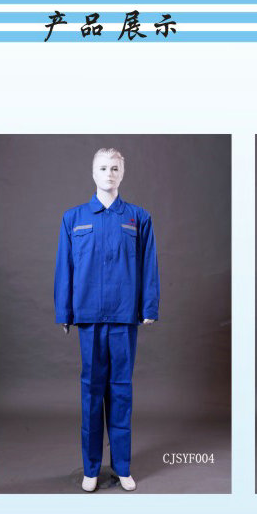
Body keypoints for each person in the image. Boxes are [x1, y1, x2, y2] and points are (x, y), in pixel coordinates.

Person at [54, 149, 159, 492]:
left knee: (121, 391)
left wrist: (148, 307)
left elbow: (148, 264)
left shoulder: (138, 218)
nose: (109, 173)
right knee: (91, 391)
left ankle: (122, 466)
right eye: (103, 168)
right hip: (88, 316)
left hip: (124, 316)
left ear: (122, 173)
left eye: (115, 168)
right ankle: (91, 468)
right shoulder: (74, 219)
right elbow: (65, 267)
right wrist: (64, 312)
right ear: (93, 173)